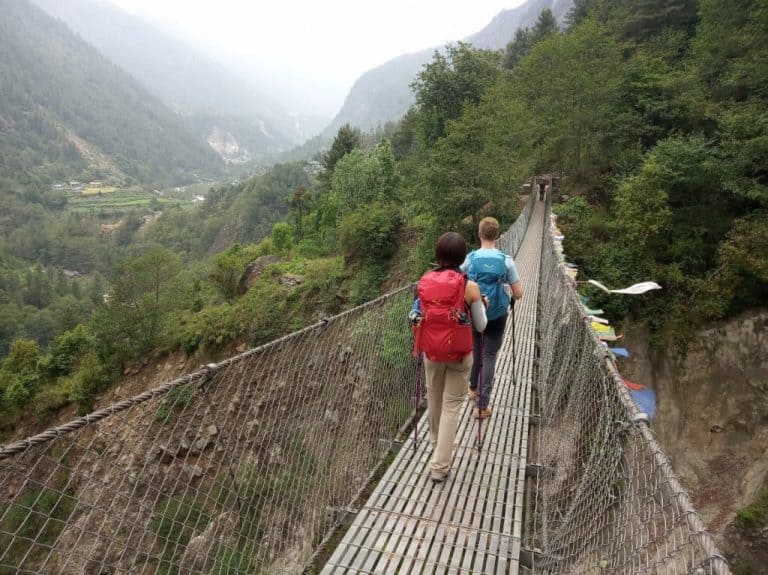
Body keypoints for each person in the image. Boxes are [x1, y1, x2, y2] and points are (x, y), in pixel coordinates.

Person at [412, 232, 487, 483]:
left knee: (434, 399)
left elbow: (415, 316)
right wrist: (481, 304)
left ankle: (436, 447)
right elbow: (481, 326)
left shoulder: (422, 282)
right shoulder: (470, 286)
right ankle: (440, 466)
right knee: (451, 406)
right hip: (459, 354)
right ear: (463, 256)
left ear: (437, 254)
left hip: (431, 352)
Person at [461, 217, 523, 419]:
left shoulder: (470, 259)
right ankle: (482, 406)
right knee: (489, 356)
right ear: (497, 235)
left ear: (479, 234)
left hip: (476, 310)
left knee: (477, 349)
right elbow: (519, 293)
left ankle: (472, 388)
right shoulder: (506, 260)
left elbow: (457, 278)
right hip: (497, 314)